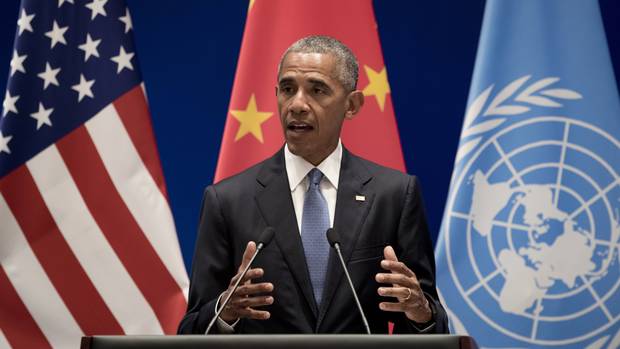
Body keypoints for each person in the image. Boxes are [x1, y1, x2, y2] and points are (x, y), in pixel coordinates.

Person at [178, 35, 448, 334]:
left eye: (317, 90)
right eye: (287, 89)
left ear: (352, 104)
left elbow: (429, 325)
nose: (297, 105)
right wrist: (225, 311)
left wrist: (420, 312)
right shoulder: (227, 200)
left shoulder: (393, 195)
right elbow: (192, 330)